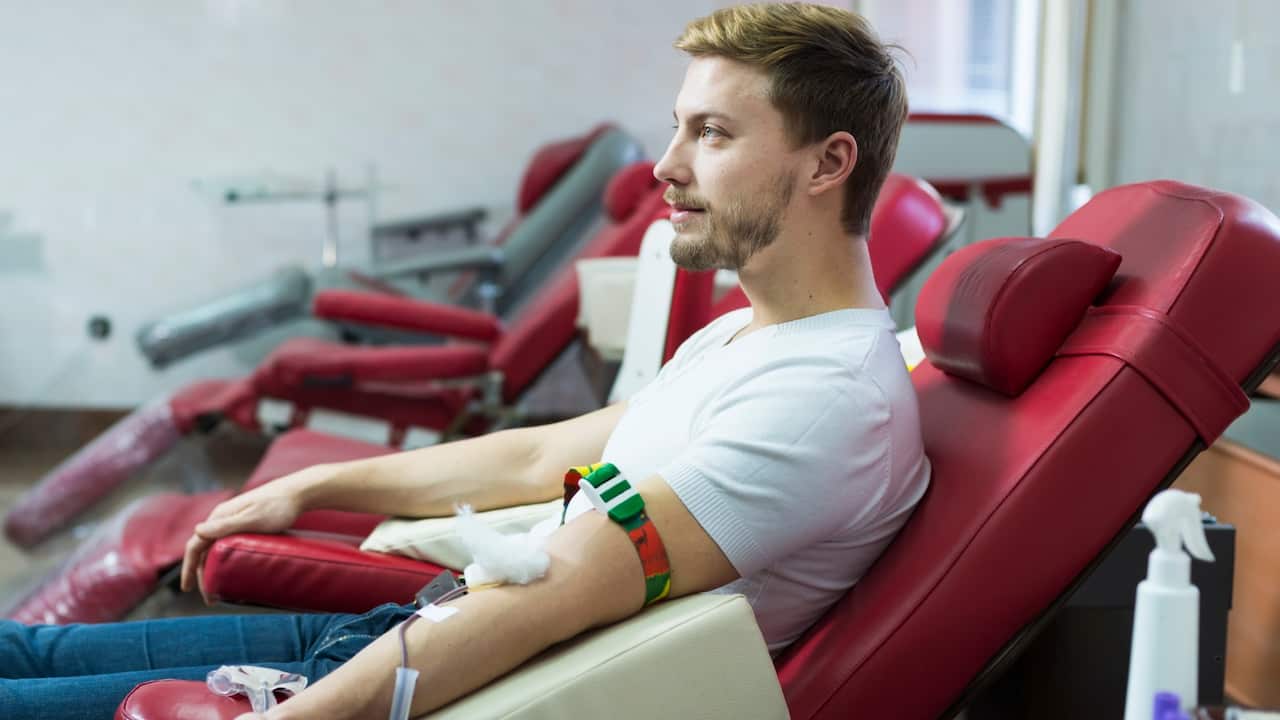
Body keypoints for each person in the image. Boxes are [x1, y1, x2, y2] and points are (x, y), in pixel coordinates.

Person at [0, 4, 929, 719]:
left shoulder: (822, 401)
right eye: (679, 126)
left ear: (826, 163)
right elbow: (535, 456)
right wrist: (317, 485)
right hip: (404, 632)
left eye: (713, 134)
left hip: (438, 677)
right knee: (26, 655)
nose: (667, 165)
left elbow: (554, 590)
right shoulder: (752, 336)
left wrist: (310, 714)